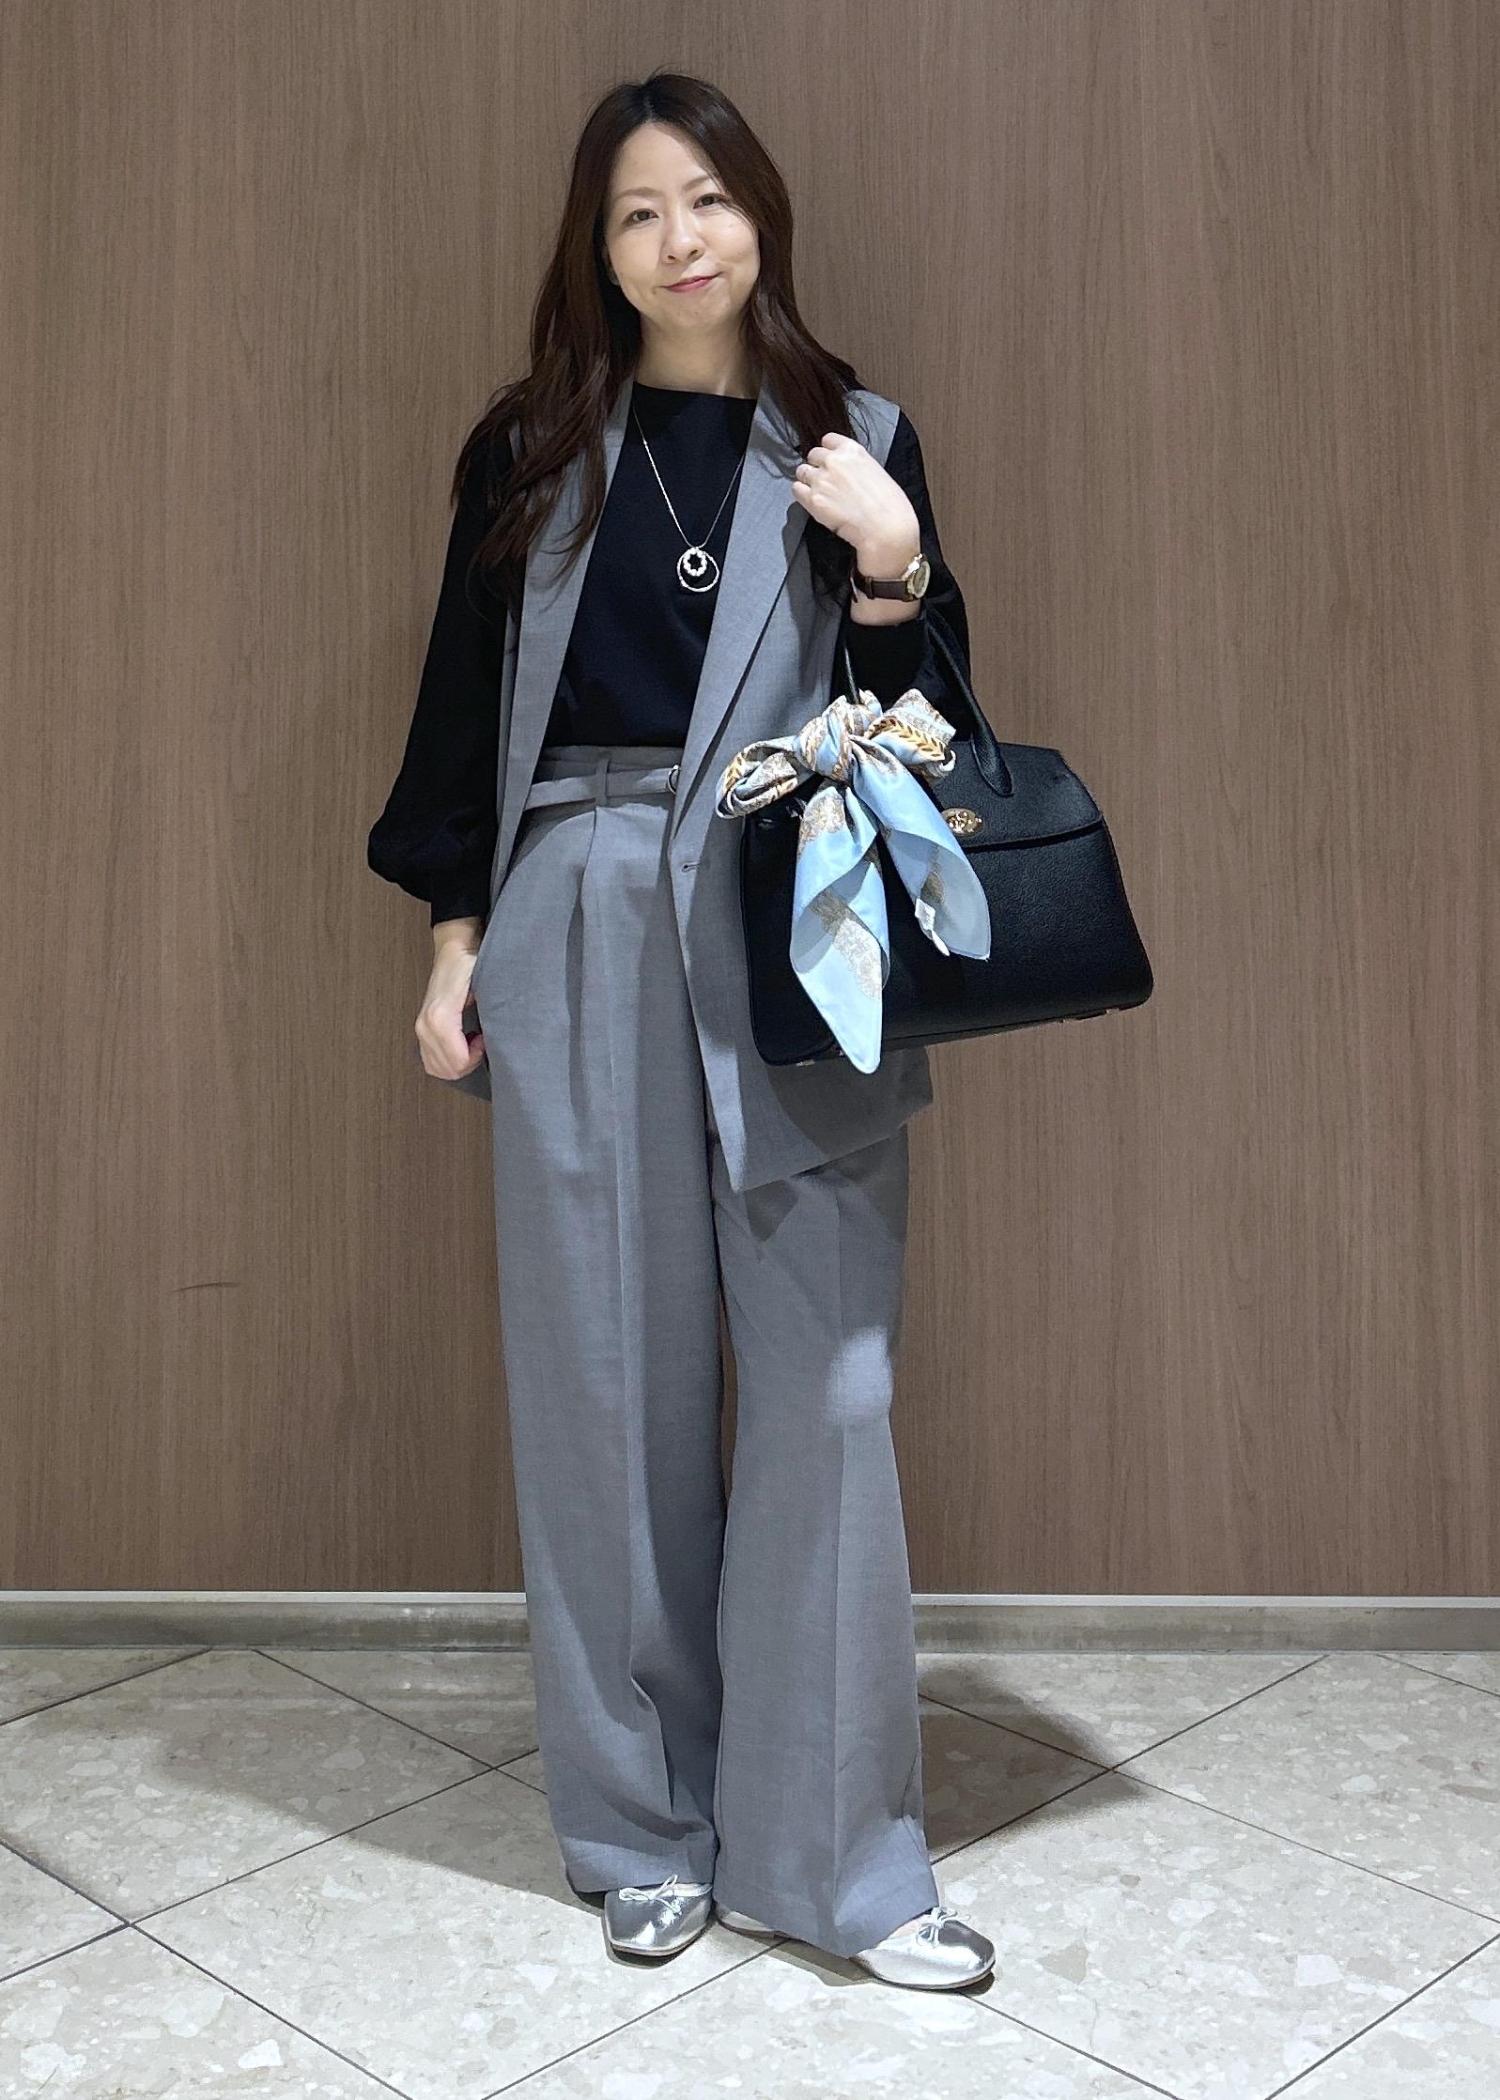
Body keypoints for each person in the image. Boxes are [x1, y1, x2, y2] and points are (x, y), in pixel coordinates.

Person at [367, 70, 995, 1992]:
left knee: (831, 1389)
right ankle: (640, 1826)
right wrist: (454, 941)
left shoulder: (855, 435)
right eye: (638, 212)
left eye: (706, 200)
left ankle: (842, 1860)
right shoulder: (535, 449)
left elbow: (931, 732)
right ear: (601, 245)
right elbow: (465, 704)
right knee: (602, 1380)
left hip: (800, 914)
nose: (679, 240)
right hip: (573, 905)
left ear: (760, 214)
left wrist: (891, 563)